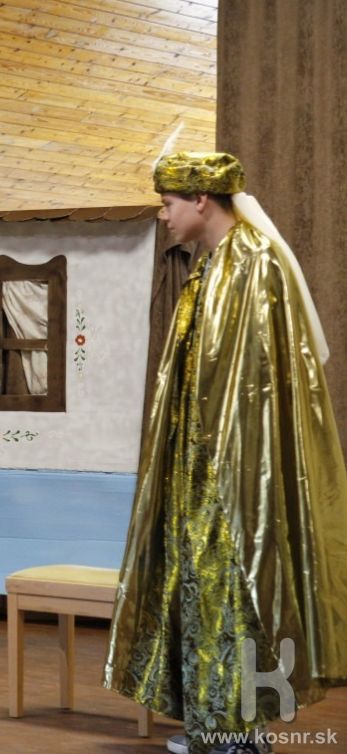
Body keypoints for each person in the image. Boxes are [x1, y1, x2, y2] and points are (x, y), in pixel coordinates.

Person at [104, 153, 347, 754]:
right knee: (203, 589)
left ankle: (235, 731)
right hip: (200, 463)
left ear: (201, 199)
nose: (164, 217)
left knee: (232, 588)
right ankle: (218, 723)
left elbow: (258, 383)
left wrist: (226, 470)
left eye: (168, 204)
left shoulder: (254, 263)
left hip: (233, 468)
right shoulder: (211, 266)